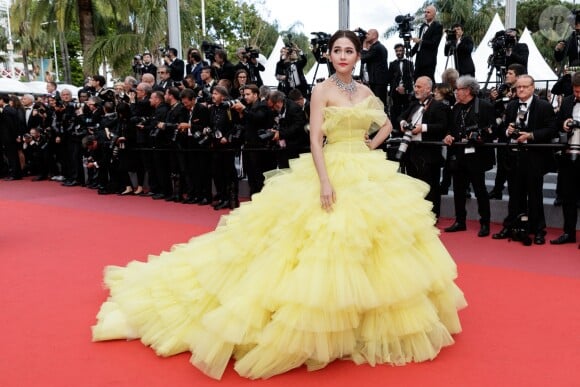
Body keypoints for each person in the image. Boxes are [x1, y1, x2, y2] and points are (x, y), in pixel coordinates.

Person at [92, 30, 466, 380]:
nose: (342, 56)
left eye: (348, 51)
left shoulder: (366, 90)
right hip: (330, 166)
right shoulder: (321, 90)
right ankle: (321, 321)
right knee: (320, 241)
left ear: (358, 55)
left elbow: (386, 124)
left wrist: (370, 145)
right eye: (336, 50)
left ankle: (361, 320)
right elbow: (316, 141)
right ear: (330, 55)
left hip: (366, 170)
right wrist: (324, 181)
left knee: (373, 244)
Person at [492, 75, 557, 245]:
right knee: (514, 195)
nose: (520, 89)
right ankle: (511, 225)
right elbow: (503, 129)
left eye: (524, 86)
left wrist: (530, 136)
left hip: (534, 158)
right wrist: (508, 131)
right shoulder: (512, 105)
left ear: (532, 88)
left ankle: (538, 230)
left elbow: (552, 130)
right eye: (518, 87)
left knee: (534, 196)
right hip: (514, 157)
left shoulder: (543, 106)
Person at [442, 76, 496, 237]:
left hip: (477, 156)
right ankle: (460, 221)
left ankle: (485, 223)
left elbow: (493, 129)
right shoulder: (456, 108)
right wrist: (448, 135)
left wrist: (479, 136)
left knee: (480, 190)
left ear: (467, 90)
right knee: (458, 190)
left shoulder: (484, 106)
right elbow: (450, 128)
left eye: (458, 89)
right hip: (459, 156)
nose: (456, 92)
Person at [550, 71, 580, 246]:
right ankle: (568, 232)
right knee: (568, 196)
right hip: (570, 155)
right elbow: (556, 124)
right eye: (576, 91)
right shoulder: (568, 101)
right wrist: (563, 125)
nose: (578, 95)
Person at [411, 5, 443, 81]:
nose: (426, 14)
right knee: (417, 81)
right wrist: (411, 52)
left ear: (434, 14)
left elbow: (434, 43)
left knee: (428, 82)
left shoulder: (438, 26)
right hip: (419, 60)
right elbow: (419, 43)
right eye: (425, 12)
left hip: (429, 61)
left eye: (428, 12)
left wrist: (420, 41)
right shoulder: (422, 26)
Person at [359, 28, 389, 105]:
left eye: (368, 34)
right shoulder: (379, 47)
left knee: (379, 105)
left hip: (378, 82)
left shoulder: (376, 47)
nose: (366, 36)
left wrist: (364, 46)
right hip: (377, 81)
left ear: (374, 36)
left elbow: (363, 58)